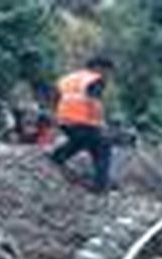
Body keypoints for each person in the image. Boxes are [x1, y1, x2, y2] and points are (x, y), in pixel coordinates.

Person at [49, 55, 116, 193]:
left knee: (81, 141)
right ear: (98, 67)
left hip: (65, 121)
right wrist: (101, 125)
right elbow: (94, 102)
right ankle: (100, 186)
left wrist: (56, 118)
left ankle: (57, 157)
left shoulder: (67, 79)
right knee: (103, 148)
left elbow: (55, 98)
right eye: (107, 71)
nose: (108, 75)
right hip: (83, 121)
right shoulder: (95, 79)